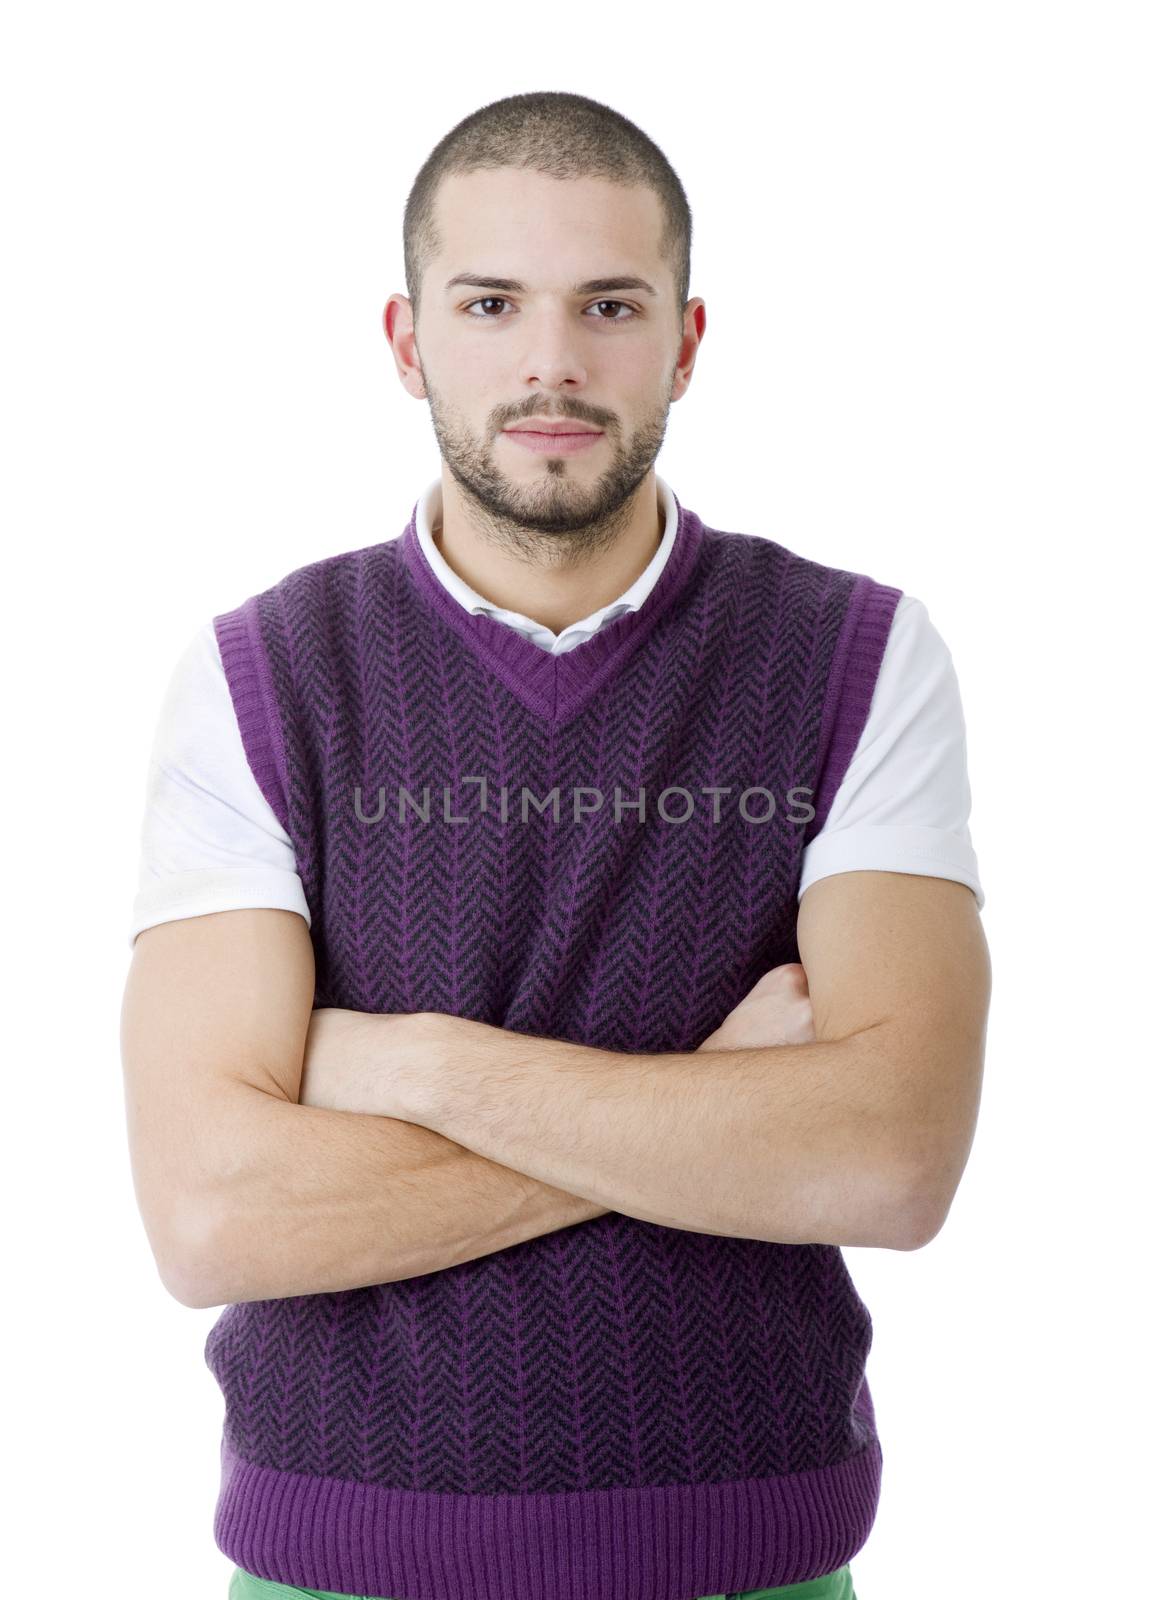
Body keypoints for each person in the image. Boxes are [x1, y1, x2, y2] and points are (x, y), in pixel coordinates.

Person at [121, 90, 990, 1600]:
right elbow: (211, 1216)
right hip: (340, 1556)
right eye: (490, 303)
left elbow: (887, 1159)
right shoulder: (262, 673)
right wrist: (714, 1115)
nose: (550, 361)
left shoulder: (855, 654)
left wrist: (412, 1066)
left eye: (608, 304)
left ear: (686, 339)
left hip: (748, 1549)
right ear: (405, 341)